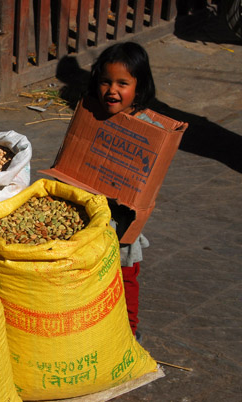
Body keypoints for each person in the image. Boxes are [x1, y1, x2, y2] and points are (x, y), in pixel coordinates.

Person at [87, 41, 163, 341]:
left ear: (139, 86)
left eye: (123, 83)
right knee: (94, 281)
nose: (112, 91)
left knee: (125, 277)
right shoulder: (91, 117)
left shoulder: (145, 128)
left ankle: (129, 336)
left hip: (123, 224)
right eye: (106, 82)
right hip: (92, 219)